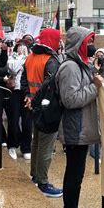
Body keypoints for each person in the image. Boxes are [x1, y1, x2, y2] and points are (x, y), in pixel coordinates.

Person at [56, 27, 104, 208]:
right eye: (88, 42)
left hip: (81, 126)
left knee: (77, 174)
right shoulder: (70, 67)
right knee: (74, 175)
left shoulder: (81, 65)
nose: (91, 46)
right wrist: (95, 87)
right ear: (79, 44)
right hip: (75, 128)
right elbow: (71, 99)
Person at [20, 28, 62, 197]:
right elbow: (48, 86)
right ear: (52, 41)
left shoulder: (30, 57)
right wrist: (34, 99)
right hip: (46, 108)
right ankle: (43, 183)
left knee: (36, 141)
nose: (59, 43)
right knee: (46, 146)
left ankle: (35, 176)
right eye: (57, 40)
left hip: (33, 105)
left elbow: (24, 79)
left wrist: (28, 96)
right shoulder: (51, 60)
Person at [7, 42, 29, 159]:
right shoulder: (12, 57)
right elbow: (13, 69)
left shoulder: (30, 58)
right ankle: (12, 145)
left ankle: (26, 148)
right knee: (13, 119)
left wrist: (26, 57)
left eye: (24, 47)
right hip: (15, 91)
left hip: (26, 91)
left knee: (27, 121)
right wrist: (21, 57)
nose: (22, 48)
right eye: (20, 46)